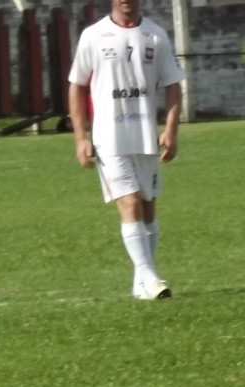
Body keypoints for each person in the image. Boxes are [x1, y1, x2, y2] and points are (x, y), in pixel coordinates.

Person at [68, 0, 185, 300]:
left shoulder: (155, 35)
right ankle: (151, 277)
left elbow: (173, 83)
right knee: (130, 202)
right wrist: (81, 137)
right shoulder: (93, 36)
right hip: (109, 137)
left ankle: (140, 282)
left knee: (147, 206)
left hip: (145, 135)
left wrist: (170, 131)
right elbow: (77, 85)